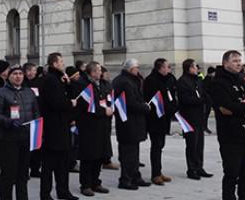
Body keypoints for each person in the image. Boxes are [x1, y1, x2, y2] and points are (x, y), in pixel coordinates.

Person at [210, 51, 245, 200]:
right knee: (232, 173)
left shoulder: (243, 81)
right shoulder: (218, 83)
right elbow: (227, 107)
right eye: (235, 61)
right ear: (225, 63)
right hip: (230, 135)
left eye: (240, 60)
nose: (239, 63)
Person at [0, 65, 39, 200]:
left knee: (23, 174)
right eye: (15, 74)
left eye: (20, 74)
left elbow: (36, 111)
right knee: (8, 174)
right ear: (9, 76)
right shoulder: (0, 92)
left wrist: (36, 126)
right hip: (8, 138)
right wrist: (9, 122)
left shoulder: (29, 92)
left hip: (25, 137)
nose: (18, 76)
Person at [38, 53, 79, 200]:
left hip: (62, 126)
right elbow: (55, 103)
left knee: (63, 162)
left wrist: (67, 84)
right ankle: (45, 193)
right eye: (61, 61)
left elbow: (67, 95)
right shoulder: (50, 80)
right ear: (54, 64)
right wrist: (70, 104)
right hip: (52, 127)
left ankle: (63, 191)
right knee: (49, 164)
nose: (63, 64)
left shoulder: (58, 79)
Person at [73, 61, 112, 196]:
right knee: (88, 156)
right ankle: (86, 184)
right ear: (92, 72)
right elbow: (86, 105)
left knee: (99, 155)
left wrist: (110, 107)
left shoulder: (102, 84)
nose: (101, 72)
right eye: (99, 70)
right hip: (88, 125)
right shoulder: (82, 85)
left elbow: (106, 98)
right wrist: (103, 111)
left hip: (102, 125)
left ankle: (96, 182)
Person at [112, 59, 151, 191]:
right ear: (130, 69)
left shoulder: (130, 79)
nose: (138, 70)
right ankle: (126, 179)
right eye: (136, 67)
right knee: (128, 152)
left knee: (134, 152)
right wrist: (145, 107)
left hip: (133, 122)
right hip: (128, 122)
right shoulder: (124, 82)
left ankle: (135, 176)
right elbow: (131, 103)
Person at [177, 59, 213, 180]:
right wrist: (200, 101)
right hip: (189, 117)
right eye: (195, 66)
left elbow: (204, 93)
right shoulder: (182, 81)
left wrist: (208, 100)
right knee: (192, 144)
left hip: (199, 116)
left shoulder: (198, 80)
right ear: (189, 68)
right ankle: (191, 169)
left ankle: (199, 167)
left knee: (200, 144)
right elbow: (185, 99)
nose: (197, 68)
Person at [142, 58, 176, 186]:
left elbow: (171, 95)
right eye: (167, 67)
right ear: (160, 68)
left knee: (160, 145)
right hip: (155, 119)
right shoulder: (151, 80)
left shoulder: (168, 79)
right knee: (156, 146)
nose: (169, 69)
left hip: (165, 118)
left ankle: (159, 171)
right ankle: (155, 174)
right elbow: (154, 100)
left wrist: (173, 108)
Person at [23, 62, 44, 178]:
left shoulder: (39, 83)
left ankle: (35, 169)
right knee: (26, 147)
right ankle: (24, 170)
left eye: (34, 70)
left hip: (37, 118)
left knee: (37, 145)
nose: (32, 73)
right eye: (29, 70)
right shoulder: (23, 84)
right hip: (26, 118)